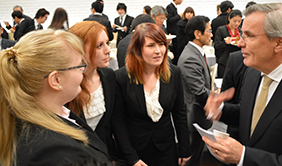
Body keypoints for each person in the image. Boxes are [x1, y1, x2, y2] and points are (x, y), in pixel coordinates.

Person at [203, 3, 282, 166]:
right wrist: (221, 110)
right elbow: (254, 114)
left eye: (249, 36)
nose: (240, 43)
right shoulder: (254, 70)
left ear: (279, 43)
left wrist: (243, 157)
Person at [0, 29, 112, 166]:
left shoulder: (45, 113)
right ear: (56, 80)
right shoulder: (57, 153)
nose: (83, 71)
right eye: (79, 66)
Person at [112, 23, 191, 166]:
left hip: (166, 148)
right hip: (135, 151)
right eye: (151, 46)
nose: (158, 51)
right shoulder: (122, 78)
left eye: (161, 44)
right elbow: (118, 121)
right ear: (137, 49)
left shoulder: (173, 73)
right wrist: (132, 157)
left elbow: (179, 113)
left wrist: (185, 148)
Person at [67, 21, 118, 159]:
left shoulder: (108, 76)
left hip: (103, 153)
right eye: (99, 46)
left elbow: (113, 122)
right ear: (79, 50)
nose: (108, 50)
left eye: (107, 43)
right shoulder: (67, 85)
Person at [177, 16, 212, 166]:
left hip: (197, 115)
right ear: (198, 34)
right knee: (192, 159)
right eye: (209, 31)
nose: (211, 34)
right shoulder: (190, 57)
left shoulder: (195, 52)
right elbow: (199, 92)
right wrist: (220, 96)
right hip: (194, 117)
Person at [214, 9, 242, 78]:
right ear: (229, 18)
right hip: (224, 61)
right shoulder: (221, 30)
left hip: (238, 61)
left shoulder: (241, 31)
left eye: (239, 21)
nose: (237, 24)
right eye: (234, 21)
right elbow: (216, 45)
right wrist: (225, 43)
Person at [166, 0, 184, 64]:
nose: (181, 1)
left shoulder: (174, 7)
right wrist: (179, 16)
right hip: (172, 32)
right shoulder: (170, 7)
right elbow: (170, 20)